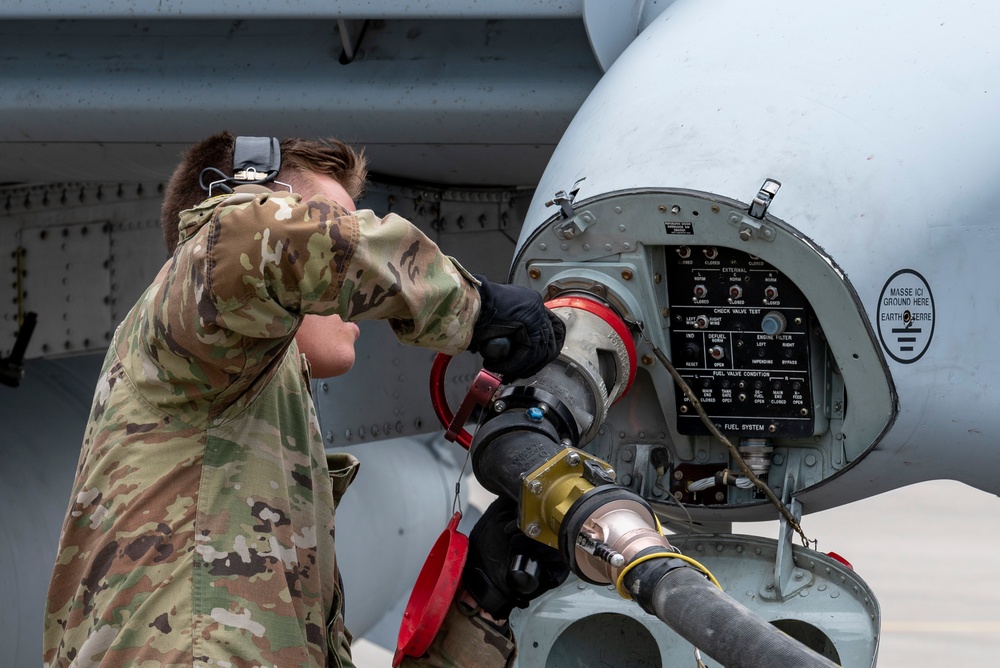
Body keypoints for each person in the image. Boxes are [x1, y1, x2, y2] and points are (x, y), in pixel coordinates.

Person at [42, 132, 565, 668]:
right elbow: (250, 241)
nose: (348, 251)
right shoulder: (192, 311)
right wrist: (473, 307)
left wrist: (483, 599)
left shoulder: (256, 440)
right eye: (335, 224)